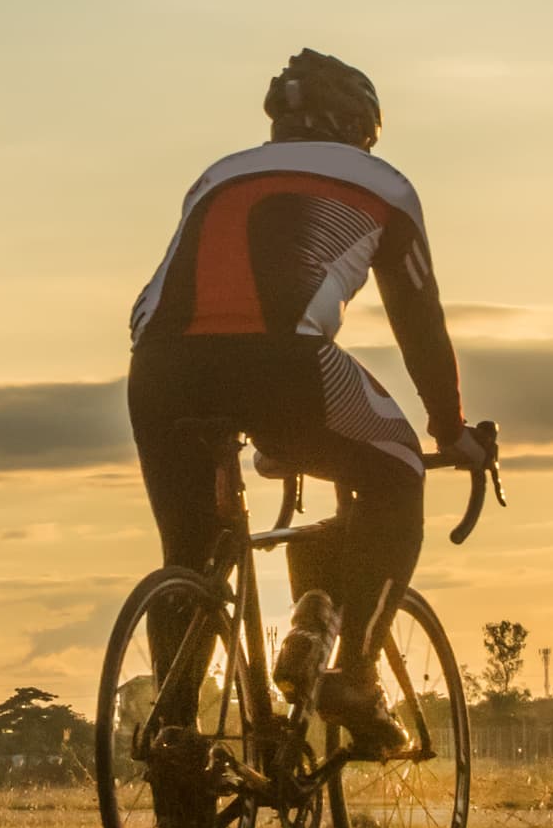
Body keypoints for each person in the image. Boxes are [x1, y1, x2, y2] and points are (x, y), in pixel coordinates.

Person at [127, 49, 487, 770]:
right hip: (283, 363)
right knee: (397, 471)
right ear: (359, 130)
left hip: (159, 367)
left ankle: (177, 751)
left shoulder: (217, 174)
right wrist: (451, 430)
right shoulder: (385, 185)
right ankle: (353, 674)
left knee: (192, 556)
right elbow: (421, 325)